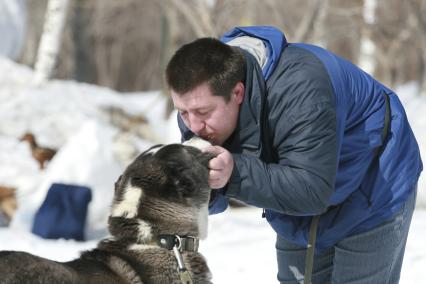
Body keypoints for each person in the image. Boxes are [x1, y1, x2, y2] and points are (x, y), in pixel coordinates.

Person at [165, 26, 423, 283]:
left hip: (375, 180)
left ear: (238, 93)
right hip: (299, 189)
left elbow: (311, 190)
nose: (193, 126)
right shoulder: (200, 107)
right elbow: (216, 194)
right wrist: (195, 189)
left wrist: (234, 173)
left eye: (202, 112)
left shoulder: (302, 90)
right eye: (183, 112)